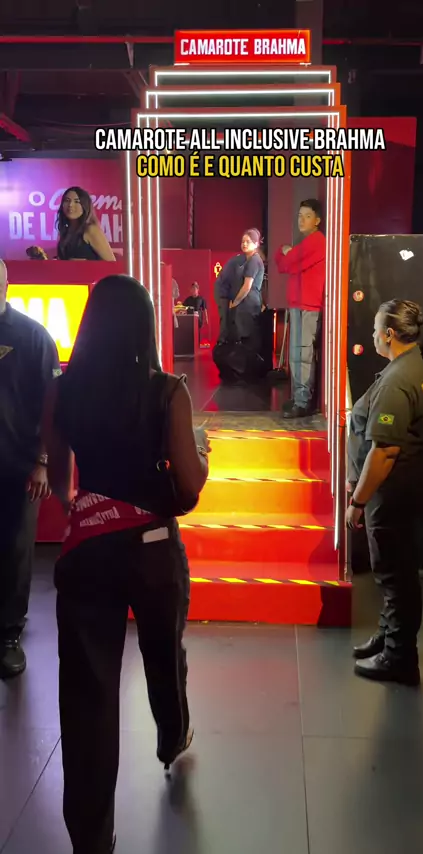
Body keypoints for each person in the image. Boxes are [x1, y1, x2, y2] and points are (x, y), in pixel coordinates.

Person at [44, 274, 210, 854]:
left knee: (86, 696)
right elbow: (190, 486)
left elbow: (61, 482)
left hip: (88, 552)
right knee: (164, 653)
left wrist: (91, 512)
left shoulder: (64, 390)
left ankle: (91, 838)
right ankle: (172, 737)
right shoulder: (168, 391)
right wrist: (202, 455)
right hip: (154, 550)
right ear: (145, 325)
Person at [346, 299, 423, 686]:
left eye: (375, 329)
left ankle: (399, 658)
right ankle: (389, 637)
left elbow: (384, 451)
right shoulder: (415, 365)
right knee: (398, 572)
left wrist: (357, 501)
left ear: (389, 335)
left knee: (394, 576)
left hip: (391, 494)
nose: (371, 335)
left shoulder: (398, 381)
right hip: (404, 489)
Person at [0, 259, 60, 679]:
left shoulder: (33, 337)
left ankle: (8, 635)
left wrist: (42, 462)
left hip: (19, 467)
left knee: (16, 551)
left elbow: (53, 407)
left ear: (5, 285)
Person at [275, 199, 326, 419]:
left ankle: (303, 401)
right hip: (299, 304)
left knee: (302, 354)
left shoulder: (317, 241)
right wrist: (284, 252)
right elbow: (282, 262)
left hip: (309, 305)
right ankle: (298, 398)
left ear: (317, 220)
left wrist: (287, 252)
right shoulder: (306, 242)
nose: (302, 220)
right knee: (296, 355)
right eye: (300, 215)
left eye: (307, 216)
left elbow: (287, 263)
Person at [56, 186, 116, 261]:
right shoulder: (65, 231)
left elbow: (112, 263)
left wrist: (85, 263)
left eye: (77, 201)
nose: (70, 205)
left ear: (85, 206)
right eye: (67, 200)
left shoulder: (91, 230)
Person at [230, 228, 264, 354]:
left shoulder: (254, 261)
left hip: (248, 304)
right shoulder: (250, 260)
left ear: (256, 244)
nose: (244, 244)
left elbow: (247, 286)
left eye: (248, 241)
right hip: (248, 304)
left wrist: (235, 302)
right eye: (243, 241)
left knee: (247, 341)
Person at [214, 253, 246, 344]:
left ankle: (229, 339)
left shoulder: (233, 265)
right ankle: (225, 340)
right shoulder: (237, 267)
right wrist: (236, 299)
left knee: (229, 317)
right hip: (224, 294)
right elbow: (235, 284)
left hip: (223, 293)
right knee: (227, 317)